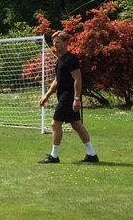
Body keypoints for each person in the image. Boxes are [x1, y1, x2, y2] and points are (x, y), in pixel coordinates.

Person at [38, 31, 98, 164]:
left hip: (68, 97)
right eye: (54, 41)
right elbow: (57, 81)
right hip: (64, 96)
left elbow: (78, 79)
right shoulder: (60, 60)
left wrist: (76, 99)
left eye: (58, 41)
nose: (55, 44)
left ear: (65, 43)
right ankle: (92, 155)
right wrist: (46, 96)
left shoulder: (71, 59)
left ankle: (54, 156)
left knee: (55, 124)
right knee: (77, 125)